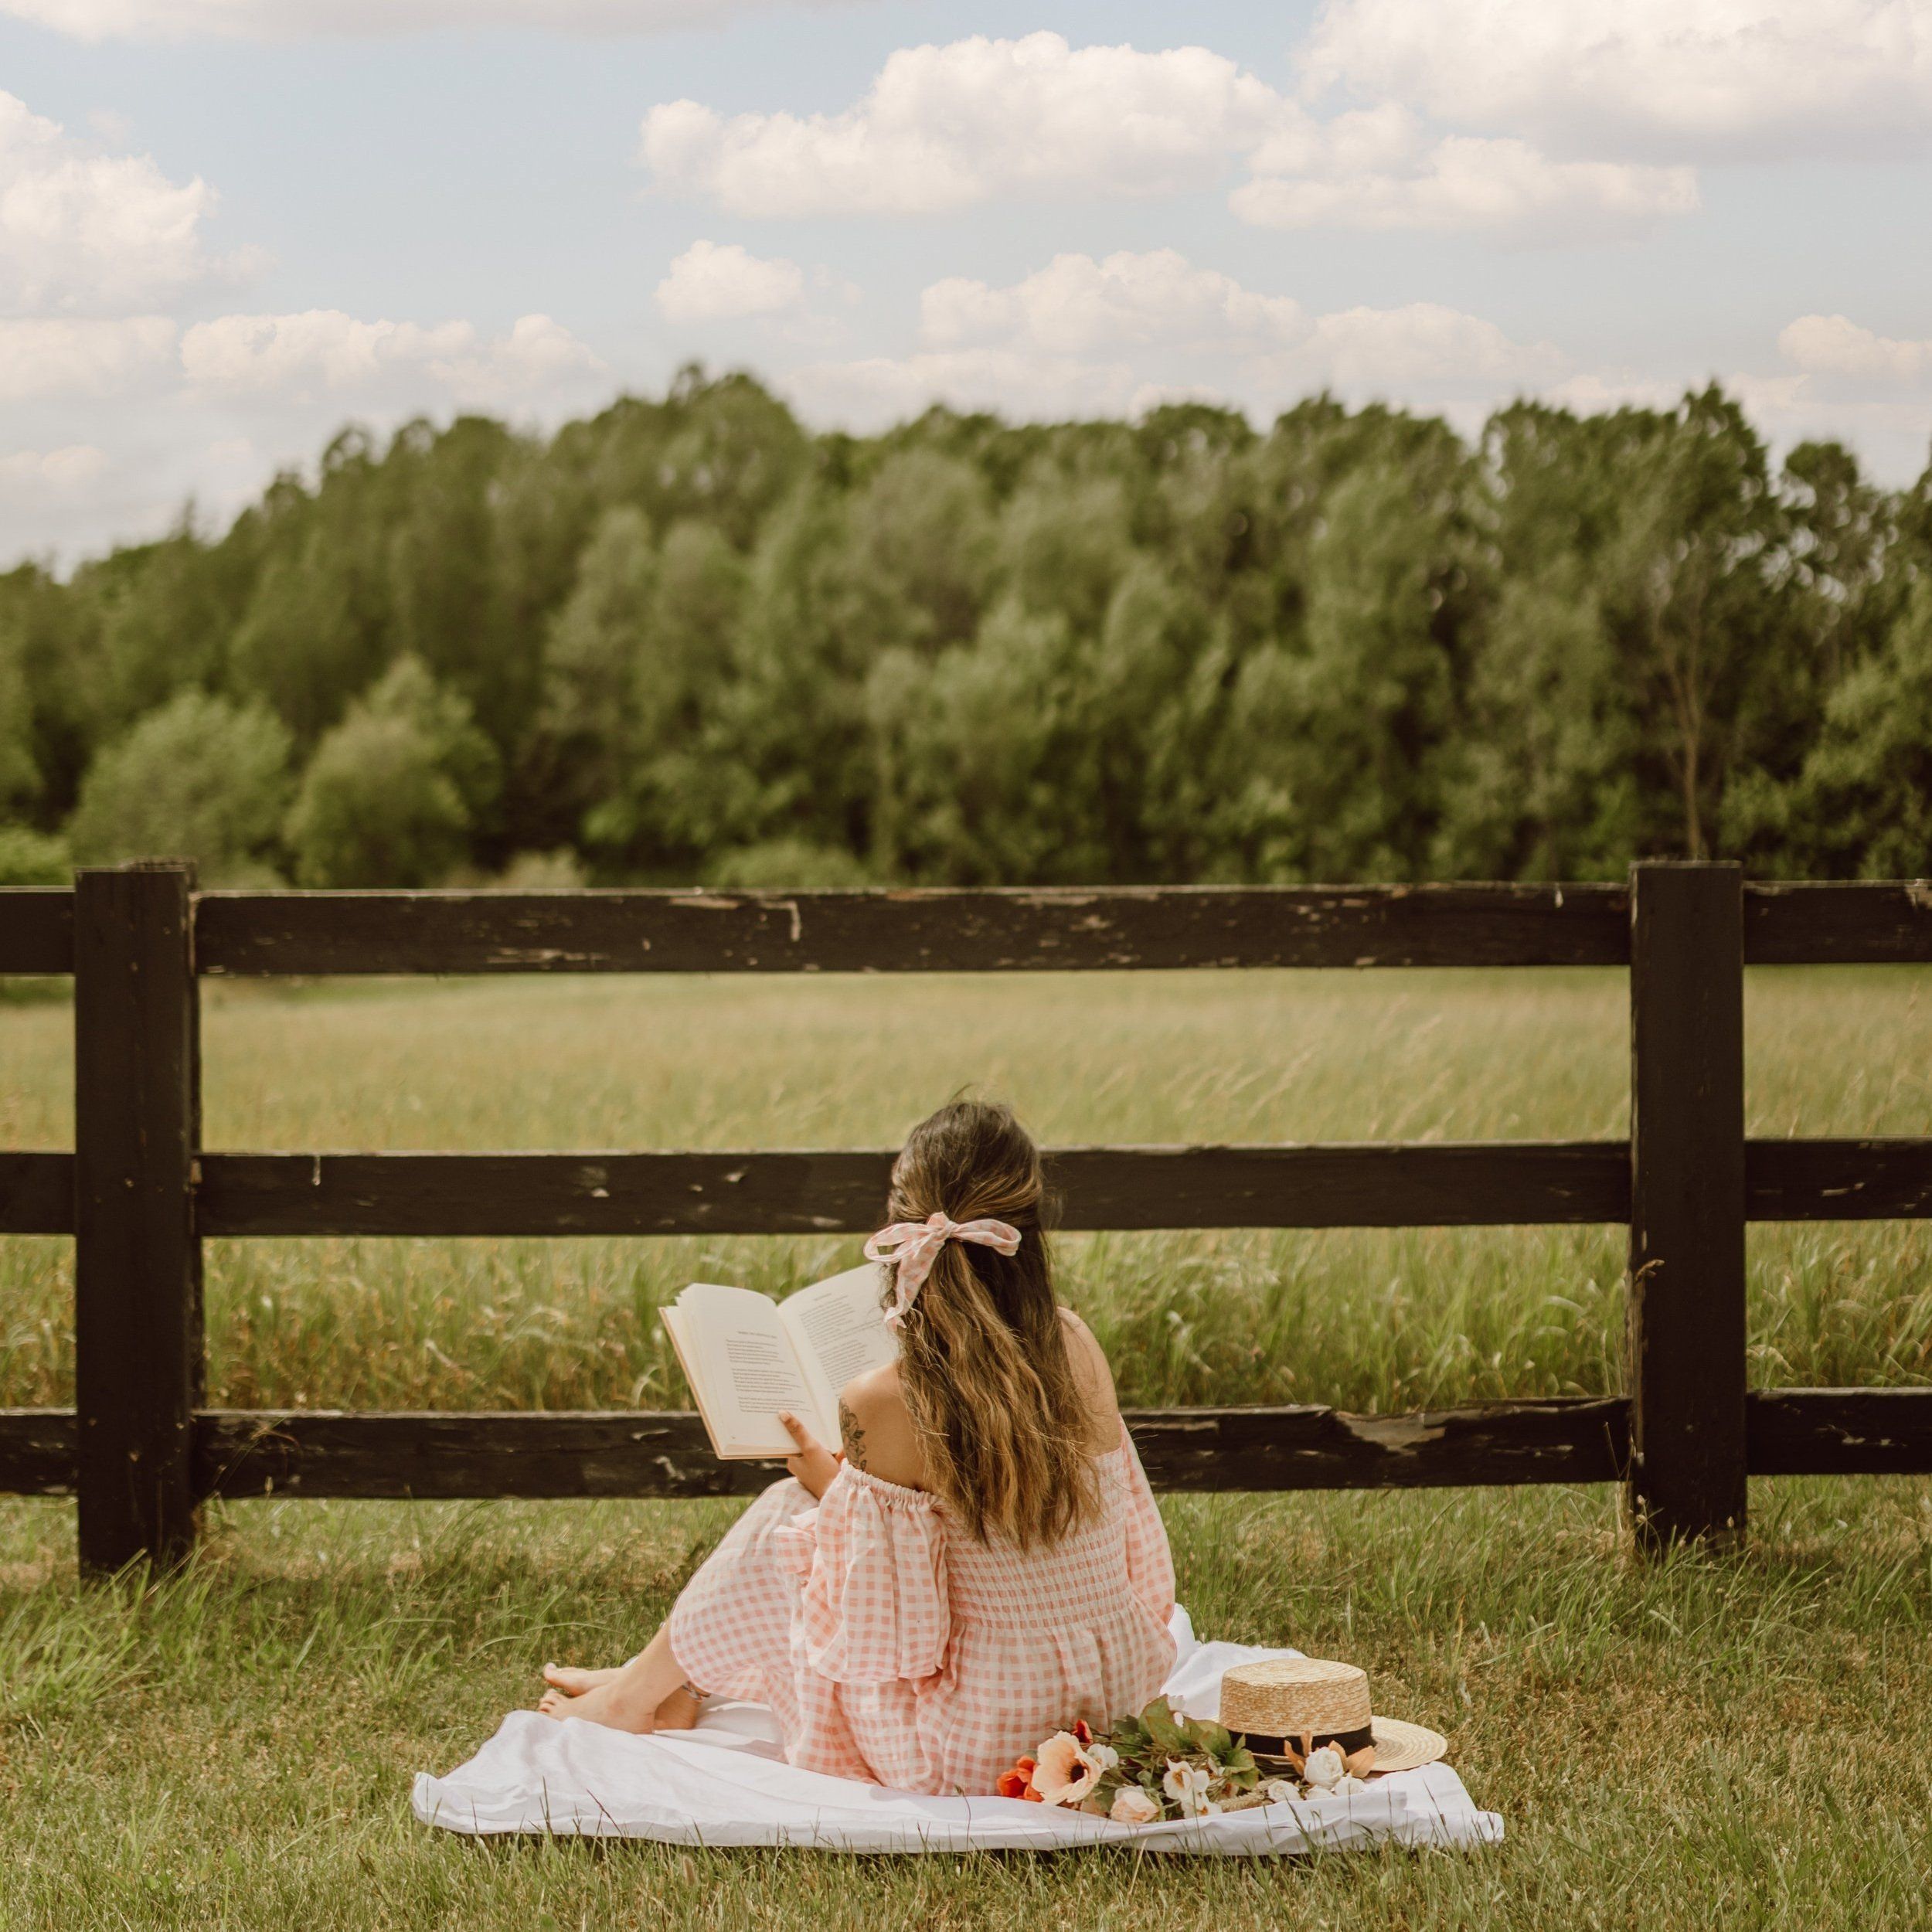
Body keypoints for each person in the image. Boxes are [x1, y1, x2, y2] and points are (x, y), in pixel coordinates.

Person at [536, 1098, 1177, 1796]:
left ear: (898, 1231)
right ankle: (658, 1681)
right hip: (1109, 1704)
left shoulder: (884, 1399)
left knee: (788, 1515)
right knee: (807, 1511)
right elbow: (1134, 1547)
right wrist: (848, 1494)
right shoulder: (1074, 1342)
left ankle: (637, 1695)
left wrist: (830, 1489)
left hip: (978, 1746)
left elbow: (893, 1639)